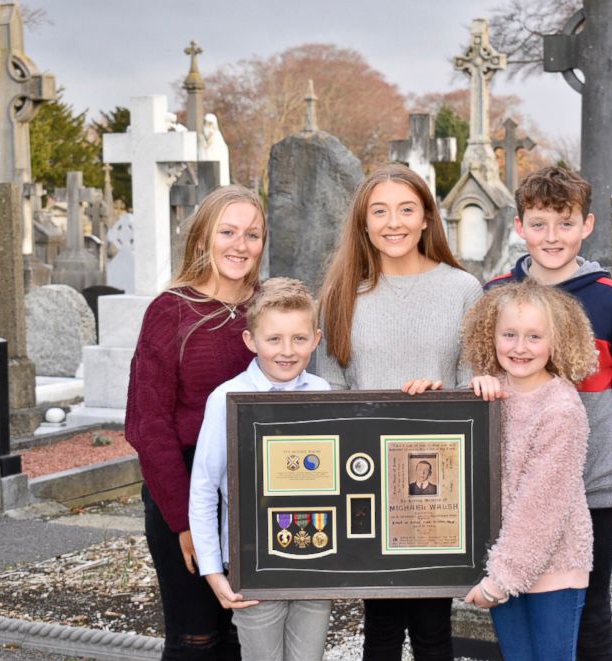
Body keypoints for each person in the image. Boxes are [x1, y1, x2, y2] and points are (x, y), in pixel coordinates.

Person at [487, 166, 612, 661]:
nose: (552, 237)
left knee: (588, 610)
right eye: (538, 224)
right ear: (520, 227)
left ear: (586, 226)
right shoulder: (495, 296)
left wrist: (600, 450)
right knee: (515, 600)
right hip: (512, 489)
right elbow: (478, 375)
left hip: (591, 490)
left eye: (565, 224)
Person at [316, 163, 482, 661]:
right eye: (380, 211)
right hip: (366, 480)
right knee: (381, 625)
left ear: (428, 218)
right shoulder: (342, 294)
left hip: (436, 483)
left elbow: (477, 384)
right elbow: (330, 389)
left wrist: (444, 395)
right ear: (363, 223)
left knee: (433, 627)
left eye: (407, 209)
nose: (394, 222)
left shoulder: (463, 290)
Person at [125, 184, 267, 660]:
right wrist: (187, 523)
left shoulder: (268, 308)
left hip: (257, 488)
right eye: (227, 231)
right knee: (197, 637)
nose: (240, 245)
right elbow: (150, 427)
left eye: (252, 234)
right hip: (184, 487)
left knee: (245, 632)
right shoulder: (171, 312)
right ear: (203, 237)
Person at [190, 277, 332, 661]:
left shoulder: (324, 395)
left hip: (316, 558)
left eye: (299, 339)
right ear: (251, 341)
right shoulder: (226, 400)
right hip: (252, 562)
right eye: (274, 340)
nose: (287, 351)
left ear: (316, 339)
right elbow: (203, 487)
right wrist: (212, 570)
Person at [462, 280, 598, 660]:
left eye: (534, 337)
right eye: (509, 334)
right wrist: (468, 393)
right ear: (491, 336)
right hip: (504, 559)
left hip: (554, 567)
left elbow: (542, 504)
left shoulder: (562, 409)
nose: (520, 347)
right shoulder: (489, 395)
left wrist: (501, 580)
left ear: (557, 341)